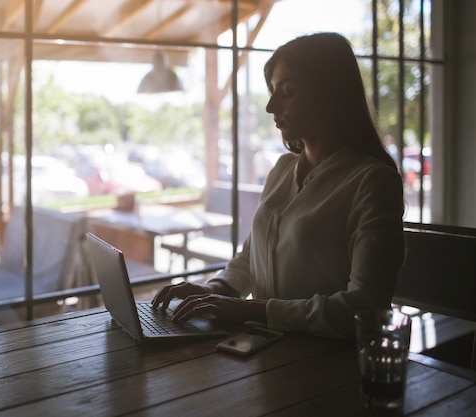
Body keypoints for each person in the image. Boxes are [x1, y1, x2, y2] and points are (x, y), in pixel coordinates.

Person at [152, 32, 405, 339]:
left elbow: (366, 306)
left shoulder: (371, 181)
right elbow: (251, 256)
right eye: (272, 91)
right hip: (263, 350)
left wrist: (249, 310)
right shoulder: (283, 170)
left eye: (287, 91)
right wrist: (214, 289)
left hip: (324, 363)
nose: (271, 106)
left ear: (329, 94)